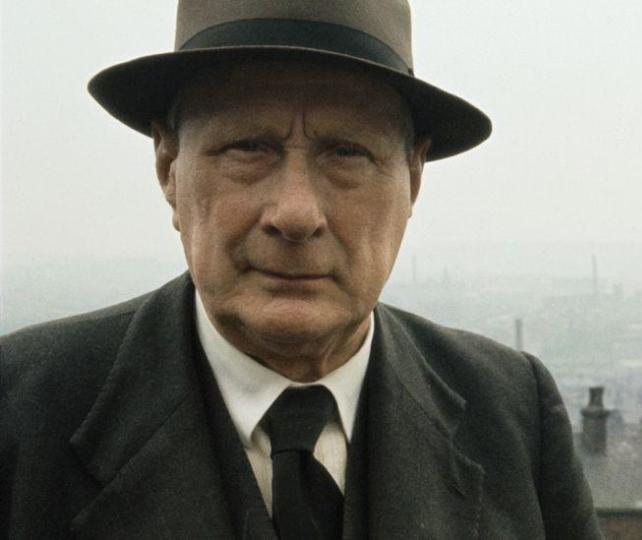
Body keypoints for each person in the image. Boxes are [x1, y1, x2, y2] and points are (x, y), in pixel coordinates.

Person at [0, 1, 602, 538]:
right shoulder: (20, 416)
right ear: (168, 167)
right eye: (248, 147)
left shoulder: (514, 416)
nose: (296, 213)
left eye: (346, 152)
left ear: (413, 179)